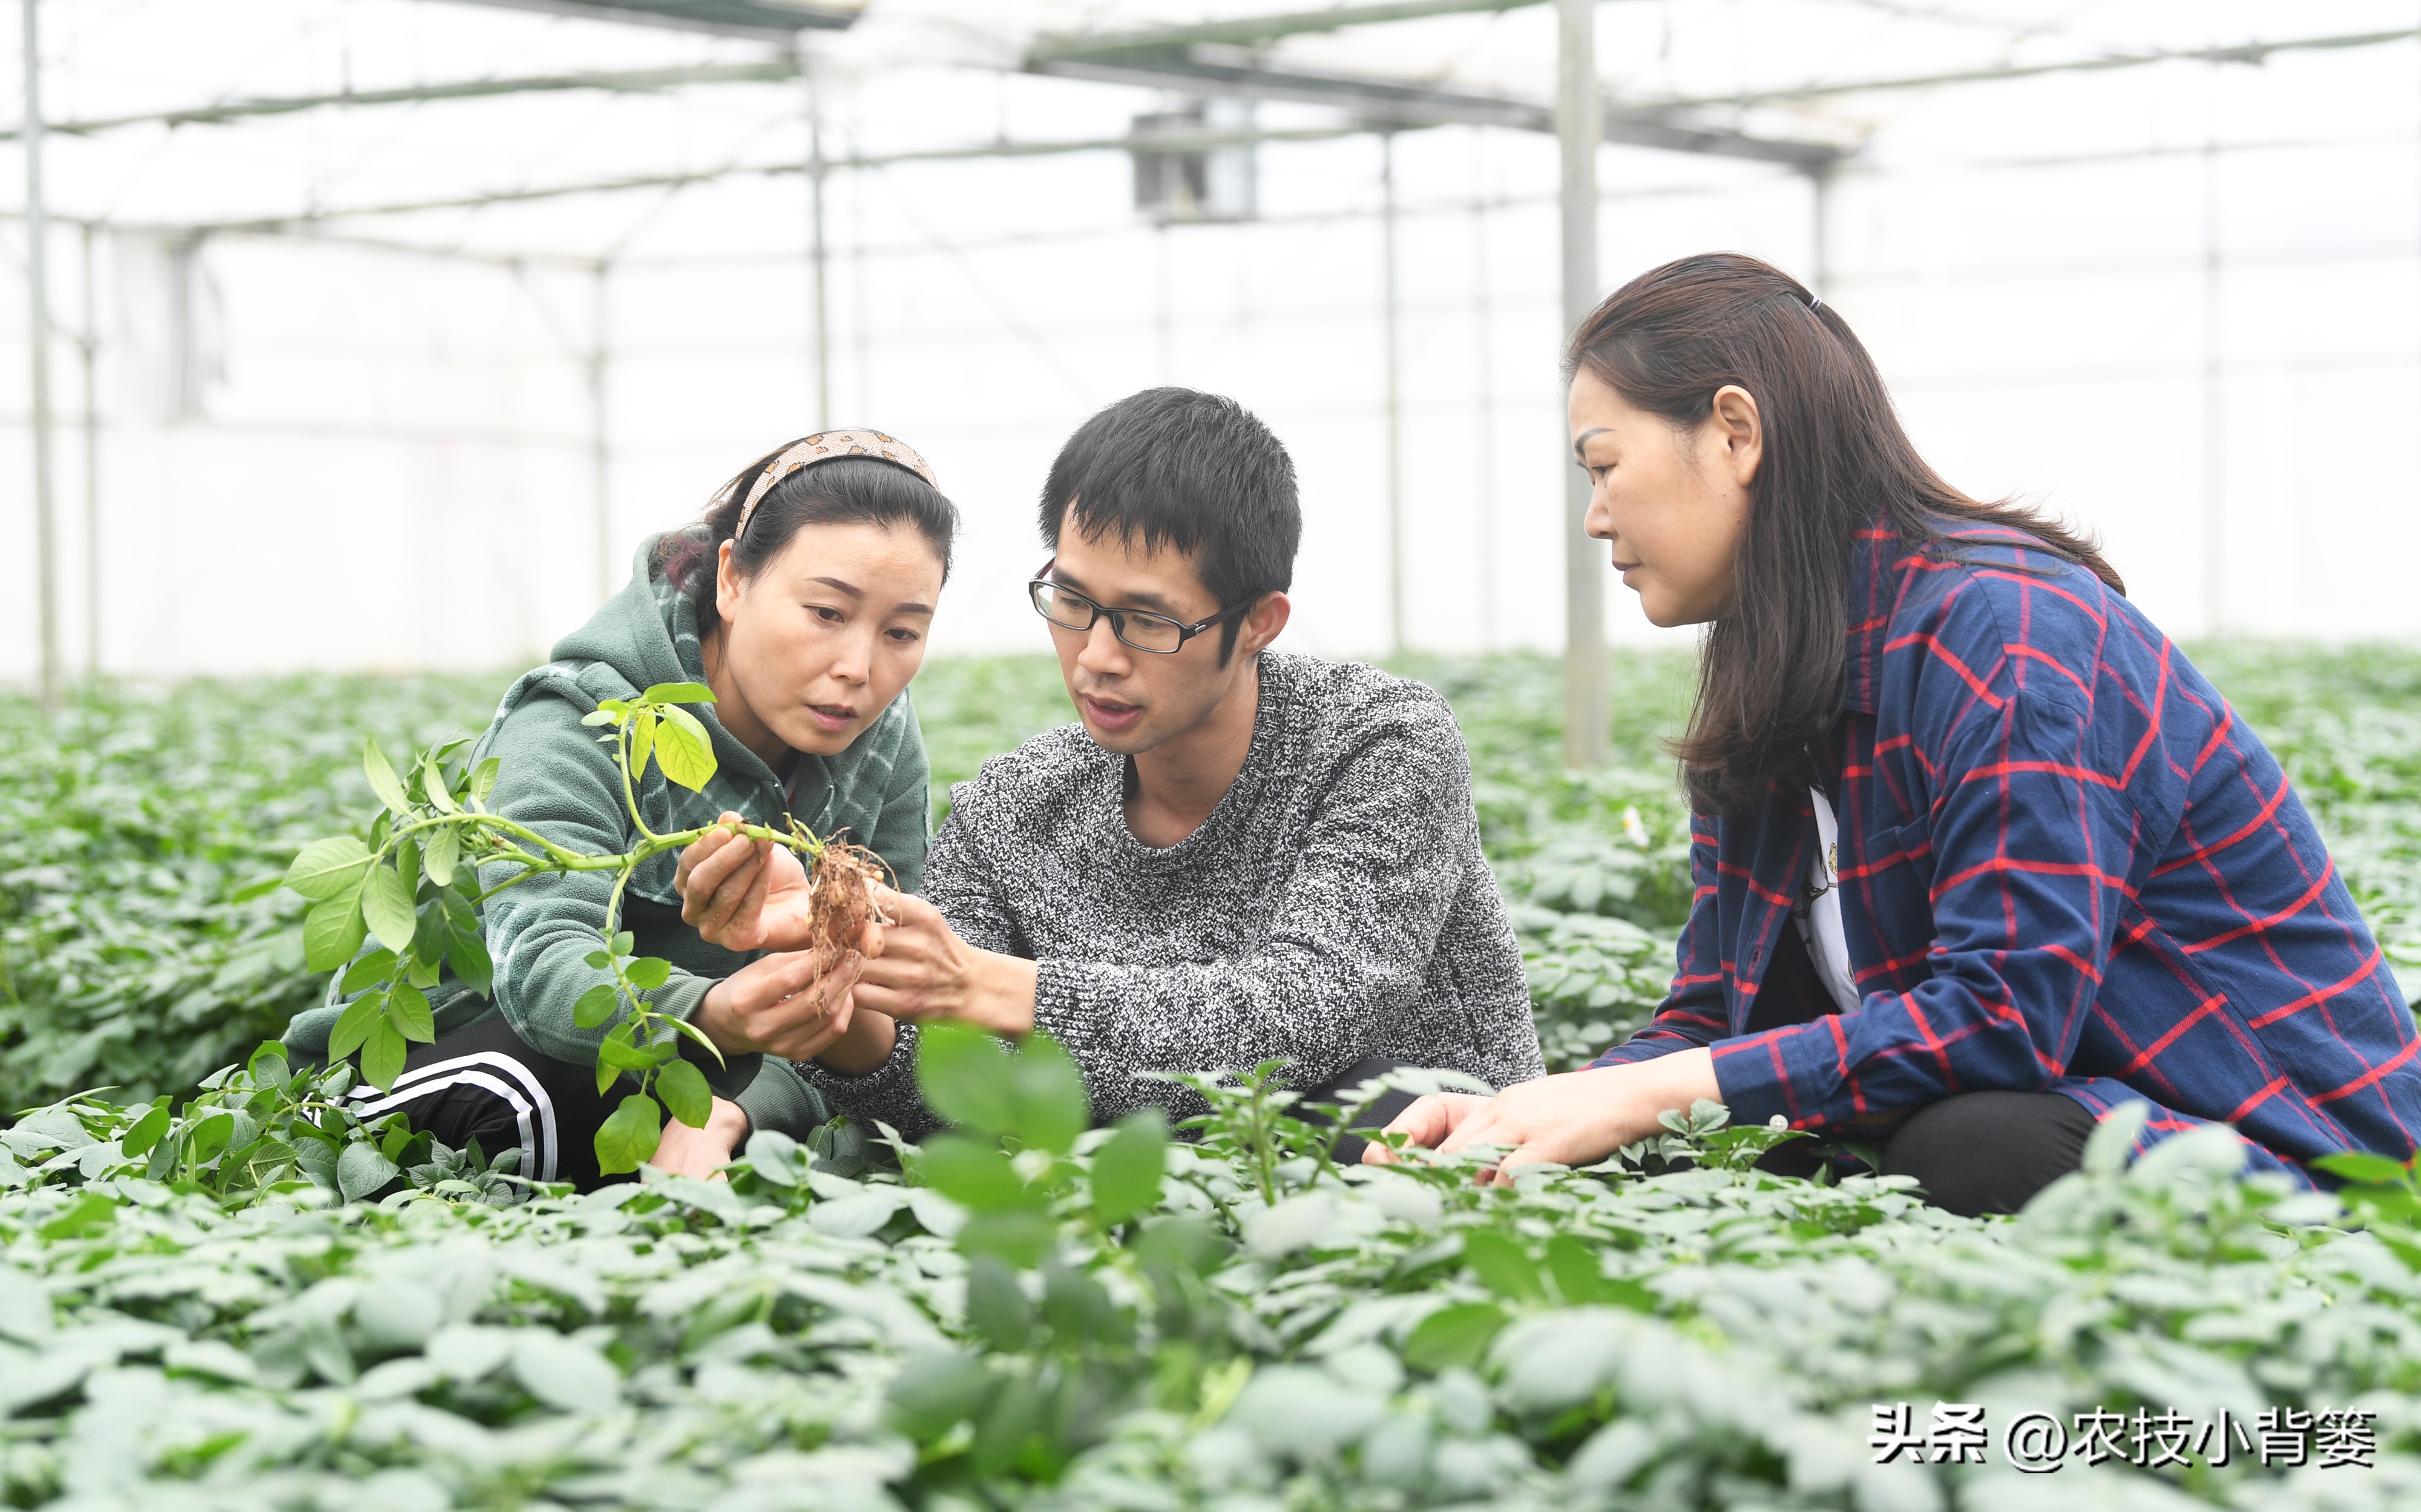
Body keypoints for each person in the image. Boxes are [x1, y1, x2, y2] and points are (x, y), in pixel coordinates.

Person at [1383, 252, 2421, 1214]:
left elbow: (2004, 1016)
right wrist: (1529, 1111)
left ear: (1736, 433)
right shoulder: (1774, 673)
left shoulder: (2005, 634)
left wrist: (1647, 1095)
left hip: (2297, 1152)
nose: (1597, 516)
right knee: (1688, 1140)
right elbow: (1714, 1020)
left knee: (1972, 1146)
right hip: (2058, 1102)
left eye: (1605, 466)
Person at [674, 388, 1544, 1158]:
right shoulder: (1013, 808)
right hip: (1137, 1212)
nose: (1095, 655)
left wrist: (984, 983)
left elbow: (1307, 1012)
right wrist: (840, 973)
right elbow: (943, 1091)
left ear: (1259, 622)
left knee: (1371, 1104)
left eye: (1147, 621)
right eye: (1073, 601)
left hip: (1428, 1184)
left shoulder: (1379, 742)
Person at [281, 431, 954, 1188]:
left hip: (697, 1074)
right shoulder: (578, 718)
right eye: (827, 611)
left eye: (902, 632)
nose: (859, 668)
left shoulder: (881, 742)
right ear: (732, 580)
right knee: (531, 1098)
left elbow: (879, 1006)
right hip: (468, 1051)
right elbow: (542, 966)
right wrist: (710, 1017)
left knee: (885, 1116)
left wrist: (731, 1108)